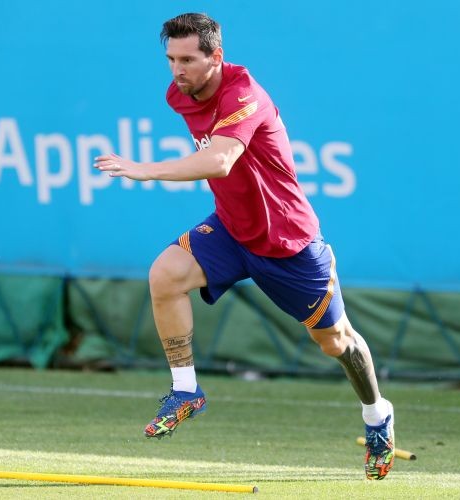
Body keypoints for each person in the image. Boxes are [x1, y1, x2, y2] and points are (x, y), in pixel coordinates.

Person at [94, 12, 395, 480]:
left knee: (336, 342)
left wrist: (145, 168)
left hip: (287, 240)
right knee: (164, 275)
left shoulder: (244, 94)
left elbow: (220, 160)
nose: (177, 70)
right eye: (171, 59)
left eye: (188, 59)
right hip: (233, 229)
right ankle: (185, 389)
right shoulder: (180, 95)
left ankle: (377, 414)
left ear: (216, 56)